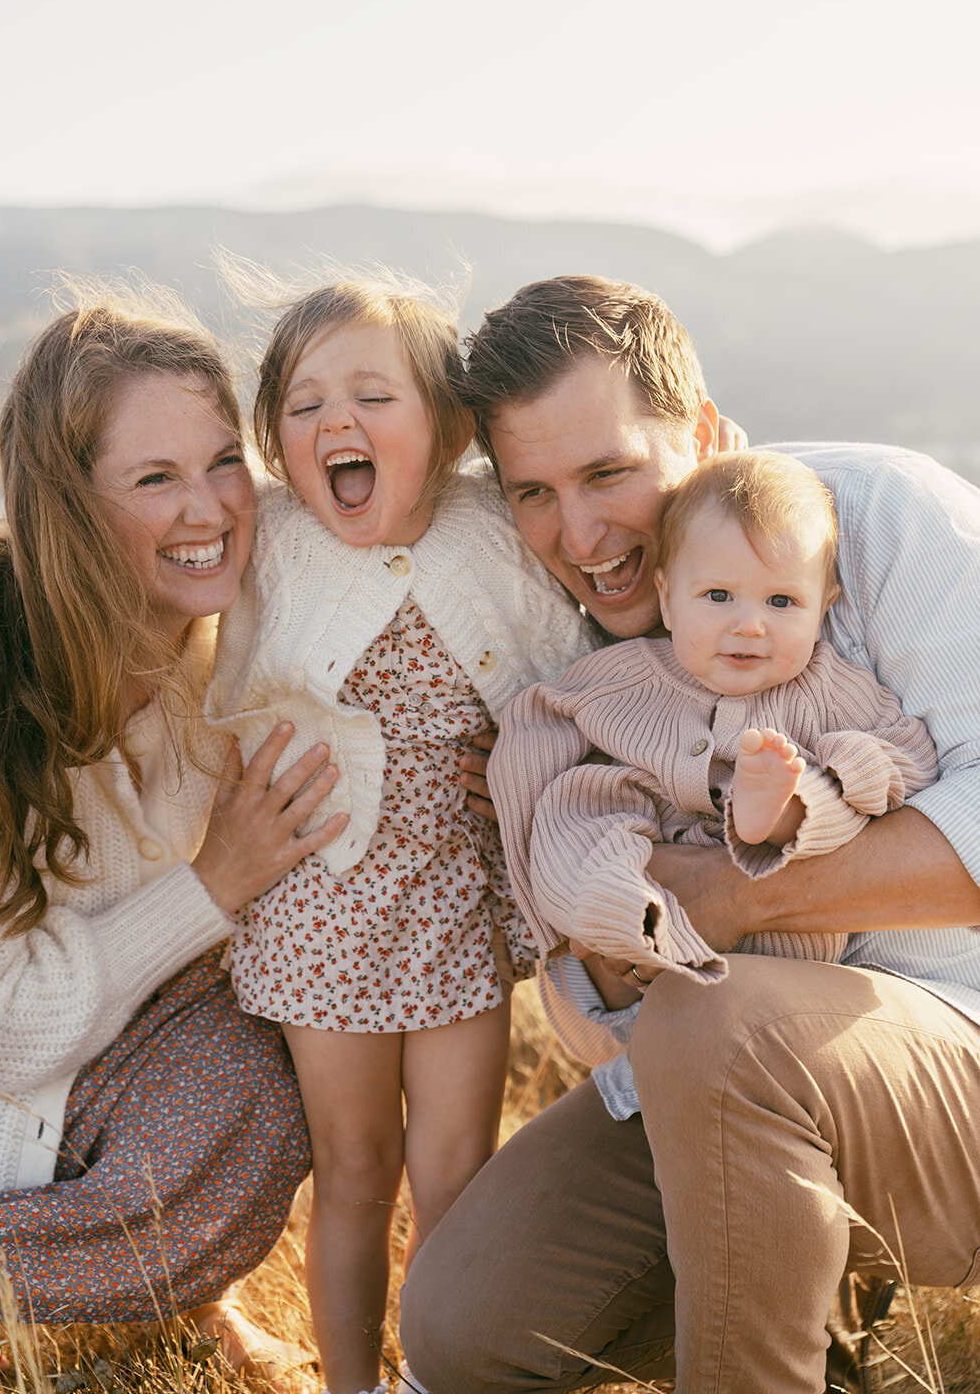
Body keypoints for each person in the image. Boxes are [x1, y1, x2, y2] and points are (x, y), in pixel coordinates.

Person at [401, 274, 980, 1394]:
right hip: (722, 1077)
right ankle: (819, 1326)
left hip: (959, 1048)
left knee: (718, 1028)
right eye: (532, 491)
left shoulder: (889, 520)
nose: (579, 534)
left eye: (608, 472)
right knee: (465, 1326)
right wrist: (576, 885)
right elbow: (592, 1001)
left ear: (705, 430)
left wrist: (722, 890)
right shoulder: (573, 649)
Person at [0, 288, 344, 1387]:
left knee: (291, 1029)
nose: (208, 508)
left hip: (84, 1053)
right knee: (240, 1093)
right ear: (68, 510)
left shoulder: (210, 652)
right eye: (154, 478)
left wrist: (515, 768)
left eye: (220, 462)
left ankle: (192, 1300)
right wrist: (210, 885)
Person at [204, 266, 595, 1394]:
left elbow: (569, 675)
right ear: (277, 440)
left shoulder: (495, 528)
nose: (339, 421)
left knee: (457, 1167)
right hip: (320, 903)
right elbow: (188, 661)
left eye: (374, 395)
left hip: (454, 907)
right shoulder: (270, 539)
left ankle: (435, 1371)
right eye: (305, 401)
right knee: (357, 1167)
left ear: (450, 424)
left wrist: (529, 761)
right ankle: (349, 1384)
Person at [492, 450, 937, 1016]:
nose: (748, 624)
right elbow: (538, 718)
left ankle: (777, 813)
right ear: (668, 597)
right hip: (639, 876)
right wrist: (526, 814)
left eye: (781, 601)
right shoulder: (626, 676)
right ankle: (619, 913)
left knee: (830, 789)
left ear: (824, 607)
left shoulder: (833, 686)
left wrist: (839, 771)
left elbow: (913, 754)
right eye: (718, 596)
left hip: (784, 968)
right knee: (574, 803)